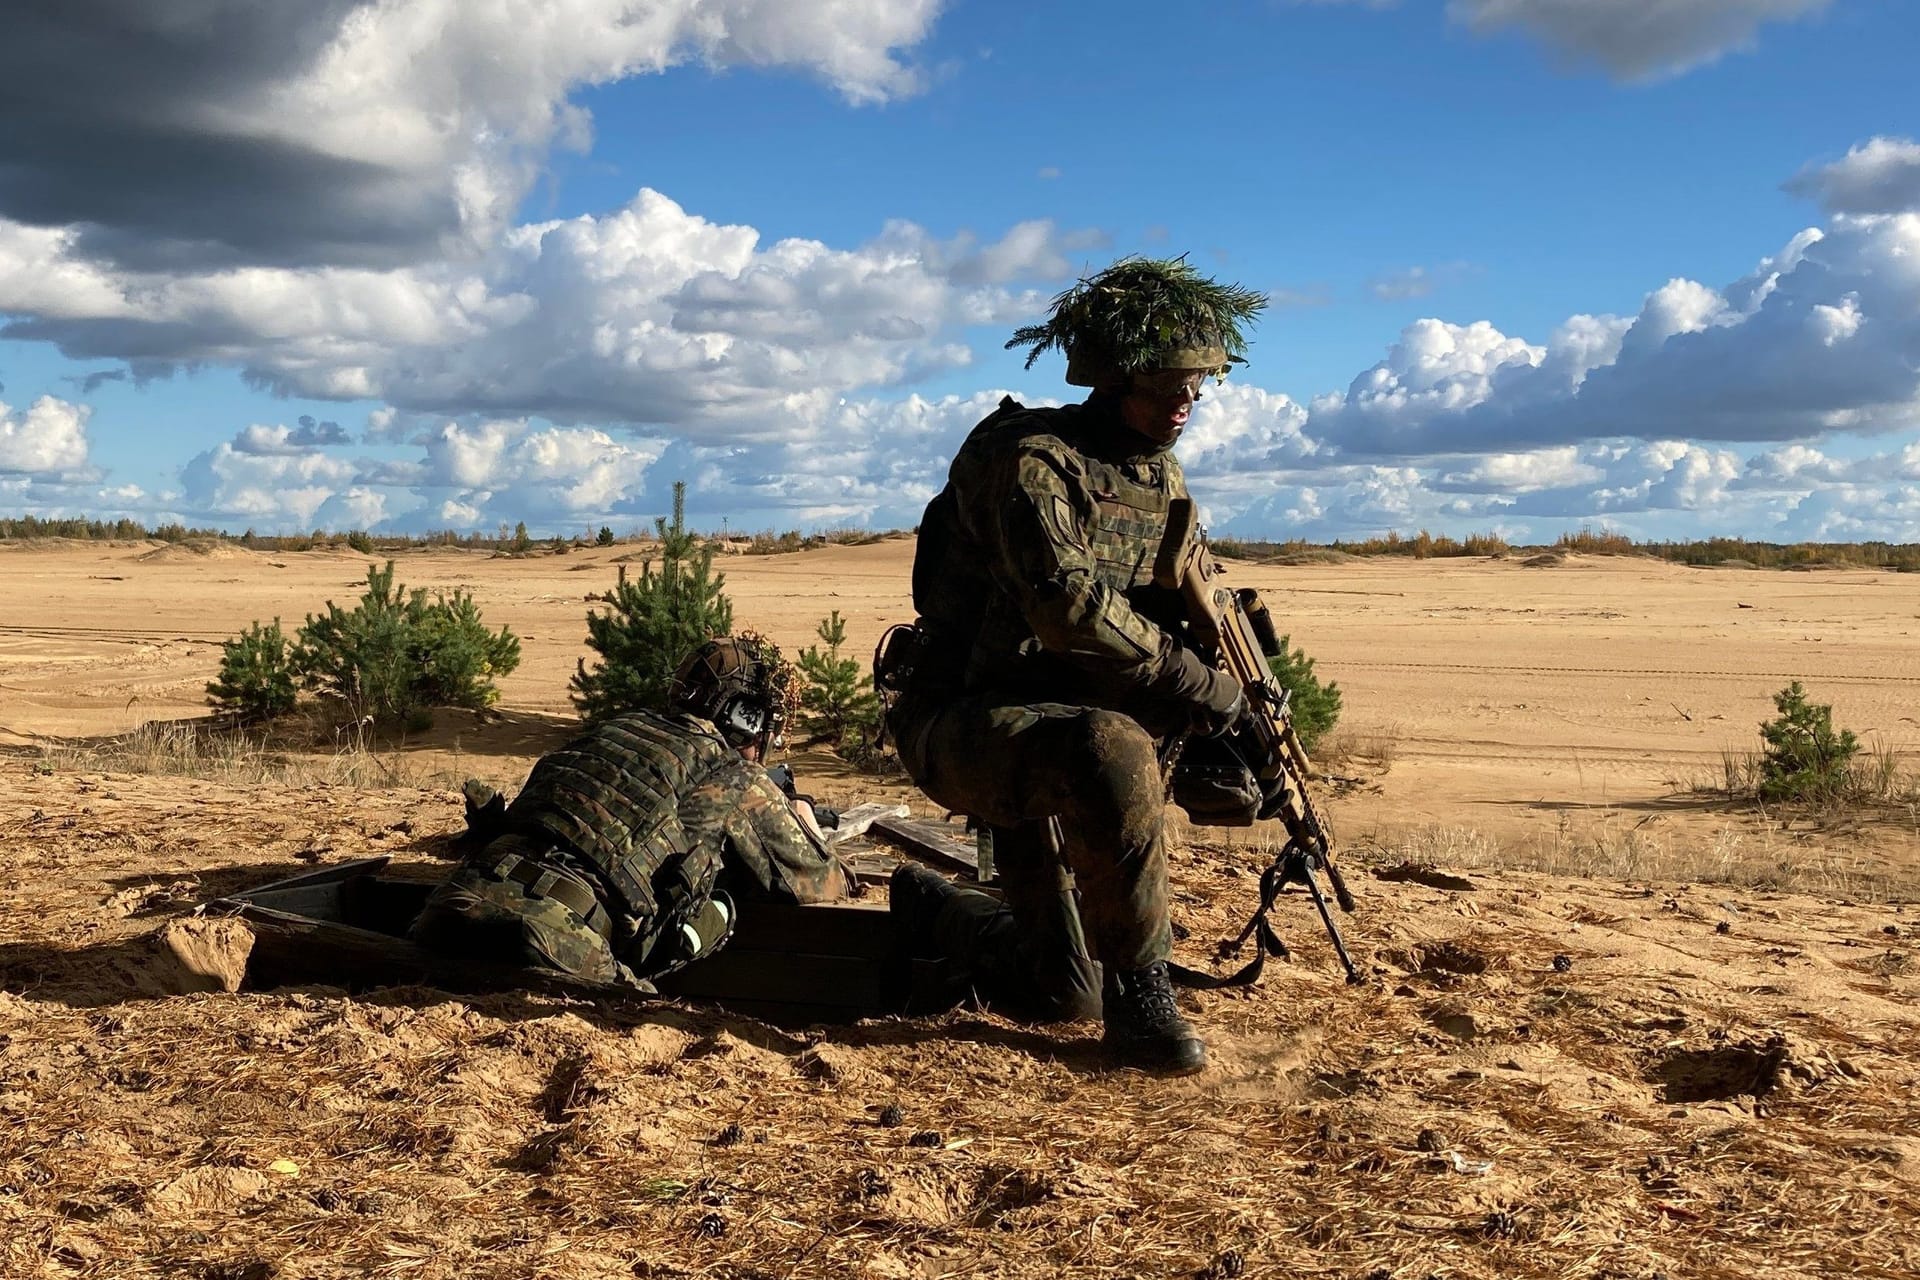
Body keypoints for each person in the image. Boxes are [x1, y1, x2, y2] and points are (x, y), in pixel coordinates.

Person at [880, 257, 1267, 1075]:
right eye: (1167, 383)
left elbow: (1172, 601)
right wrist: (1197, 686)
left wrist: (1229, 716)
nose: (1185, 401)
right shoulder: (1031, 461)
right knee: (1114, 748)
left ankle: (942, 909)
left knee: (1059, 993)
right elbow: (1072, 612)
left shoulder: (1155, 470)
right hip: (965, 719)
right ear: (1114, 377)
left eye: (1197, 384)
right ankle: (1143, 1002)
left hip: (1063, 735)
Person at [409, 634, 851, 989]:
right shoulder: (734, 776)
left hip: (450, 908)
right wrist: (803, 817)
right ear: (747, 719)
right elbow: (822, 884)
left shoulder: (613, 731)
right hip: (552, 945)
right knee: (712, 918)